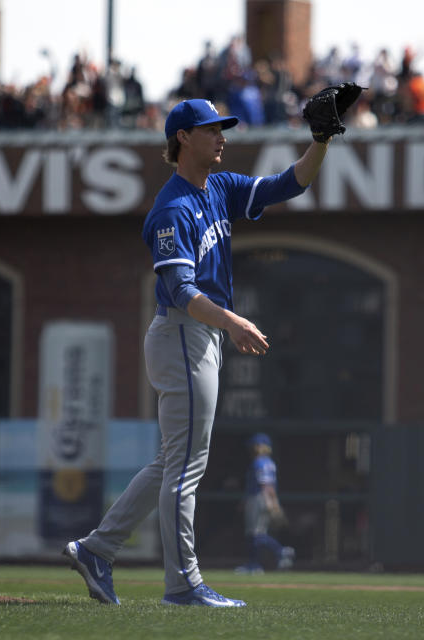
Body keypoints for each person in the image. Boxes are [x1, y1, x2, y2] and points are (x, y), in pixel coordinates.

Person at [63, 96, 338, 607]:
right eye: (212, 129)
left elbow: (289, 183)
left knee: (171, 462)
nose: (222, 137)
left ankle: (97, 548)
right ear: (183, 137)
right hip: (183, 333)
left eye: (223, 129)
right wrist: (234, 322)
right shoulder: (173, 208)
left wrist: (319, 141)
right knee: (186, 466)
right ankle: (183, 583)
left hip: (196, 336)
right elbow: (182, 292)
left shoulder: (219, 187)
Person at [235, 433, 295, 574]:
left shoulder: (260, 462)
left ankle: (280, 551)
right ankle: (254, 564)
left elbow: (266, 486)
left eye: (254, 445)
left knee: (255, 534)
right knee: (255, 534)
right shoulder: (268, 462)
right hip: (261, 498)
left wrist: (272, 504)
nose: (252, 448)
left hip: (259, 498)